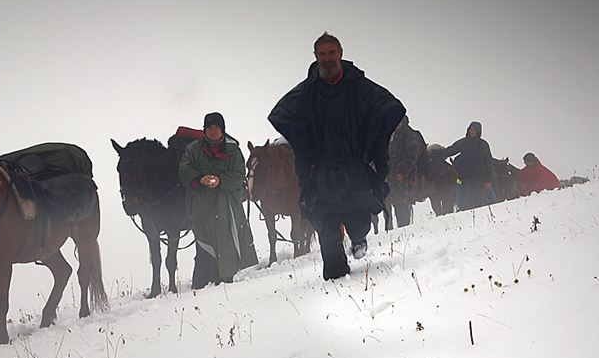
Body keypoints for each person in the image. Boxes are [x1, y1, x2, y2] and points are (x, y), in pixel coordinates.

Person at [268, 32, 406, 280]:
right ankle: (336, 280)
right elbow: (291, 126)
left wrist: (378, 164)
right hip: (323, 175)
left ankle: (359, 239)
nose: (327, 58)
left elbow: (383, 112)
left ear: (340, 53)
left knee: (359, 222)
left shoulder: (359, 87)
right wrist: (305, 176)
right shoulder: (306, 94)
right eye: (322, 54)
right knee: (328, 233)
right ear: (316, 57)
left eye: (332, 53)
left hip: (355, 171)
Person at [179, 112, 258, 289]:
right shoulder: (193, 150)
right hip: (201, 207)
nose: (213, 131)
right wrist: (200, 179)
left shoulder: (233, 151)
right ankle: (199, 286)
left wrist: (220, 180)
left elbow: (238, 177)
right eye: (209, 127)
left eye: (216, 127)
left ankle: (224, 284)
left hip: (225, 208)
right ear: (204, 129)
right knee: (204, 244)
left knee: (225, 243)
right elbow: (184, 172)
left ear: (222, 129)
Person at [431, 121, 493, 211]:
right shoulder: (463, 143)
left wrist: (488, 180)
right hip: (464, 179)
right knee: (465, 205)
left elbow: (488, 162)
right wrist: (434, 153)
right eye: (471, 129)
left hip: (479, 180)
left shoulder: (483, 145)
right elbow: (450, 151)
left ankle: (478, 223)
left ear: (478, 131)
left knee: (477, 204)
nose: (472, 131)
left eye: (474, 130)